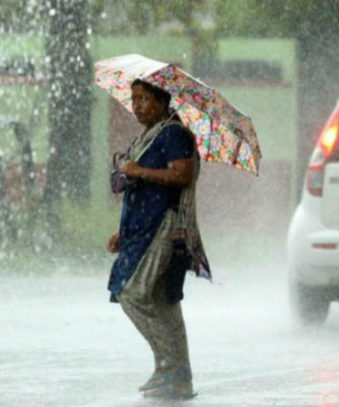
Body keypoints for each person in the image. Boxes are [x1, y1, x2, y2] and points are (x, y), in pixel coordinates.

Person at [106, 79, 210, 399]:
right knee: (163, 300)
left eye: (144, 99)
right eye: (133, 99)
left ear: (163, 102)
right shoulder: (148, 136)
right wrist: (122, 233)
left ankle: (173, 368)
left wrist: (139, 171)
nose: (137, 105)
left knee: (133, 293)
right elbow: (139, 187)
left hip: (163, 230)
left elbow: (182, 174)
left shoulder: (174, 134)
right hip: (141, 230)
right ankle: (171, 371)